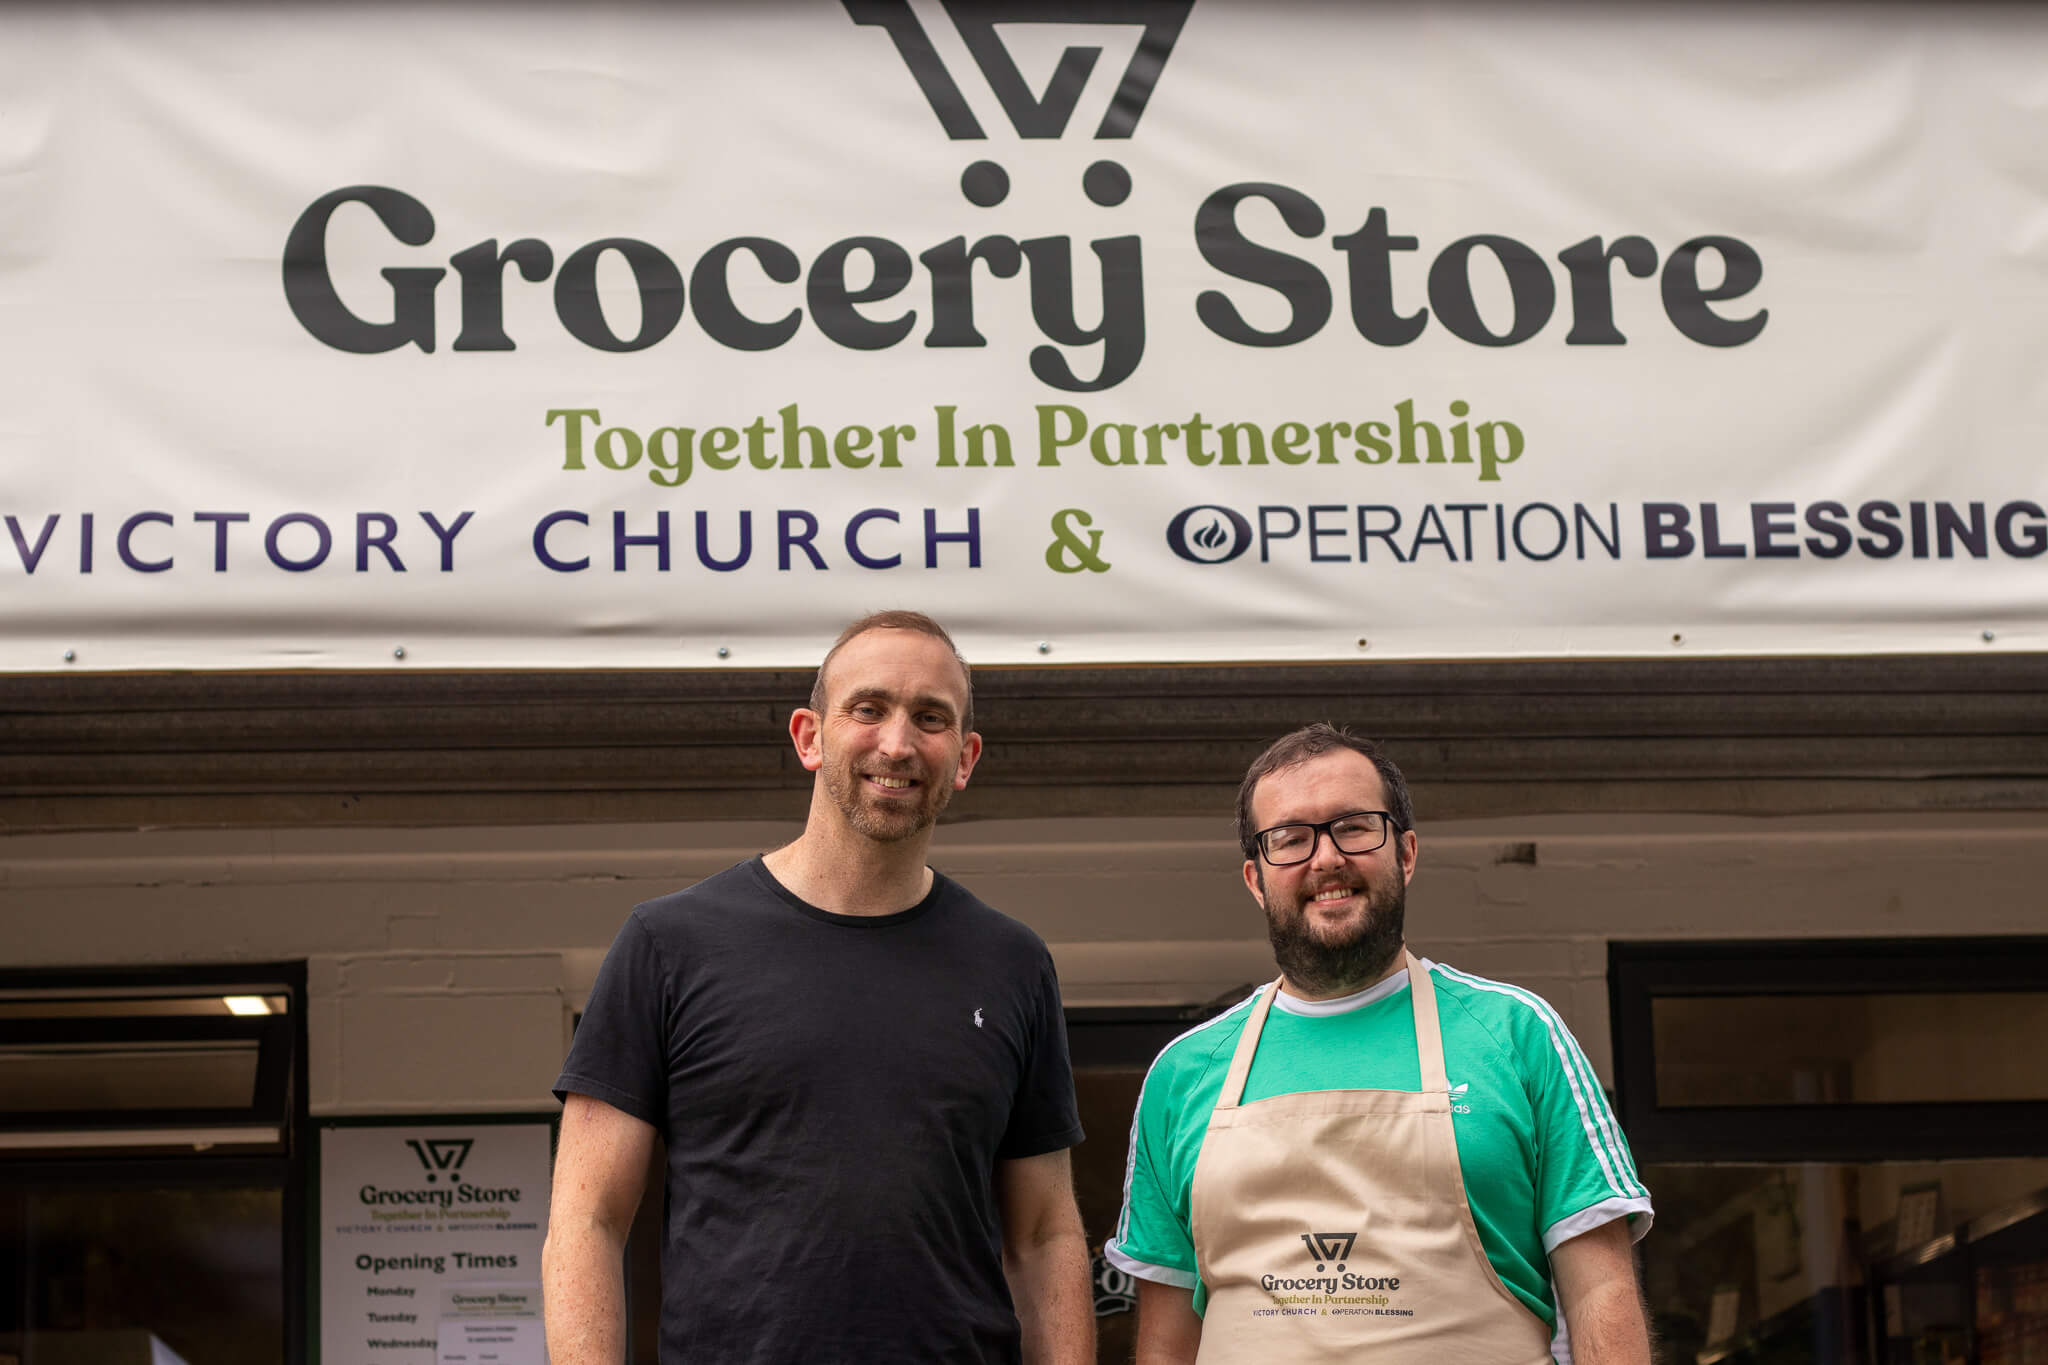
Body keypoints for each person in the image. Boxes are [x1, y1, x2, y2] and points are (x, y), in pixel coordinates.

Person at [543, 611, 1093, 1365]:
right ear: (809, 735)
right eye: (868, 708)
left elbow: (1043, 1235)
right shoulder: (669, 943)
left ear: (964, 757)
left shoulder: (1013, 963)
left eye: (929, 718)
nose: (897, 743)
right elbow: (587, 1219)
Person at [1106, 723, 1653, 1365]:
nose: (1326, 858)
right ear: (1256, 880)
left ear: (1406, 853)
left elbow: (1602, 1293)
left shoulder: (1518, 1033)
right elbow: (1167, 1345)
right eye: (1290, 838)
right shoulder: (1184, 1073)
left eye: (1355, 827)